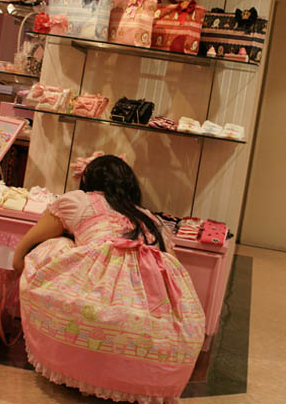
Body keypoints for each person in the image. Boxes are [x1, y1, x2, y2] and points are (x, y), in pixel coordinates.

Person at [13, 155, 205, 403]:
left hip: (101, 296)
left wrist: (22, 267)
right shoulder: (152, 219)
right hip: (155, 310)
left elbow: (28, 245)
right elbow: (173, 265)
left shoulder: (78, 201)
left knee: (56, 243)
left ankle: (78, 359)